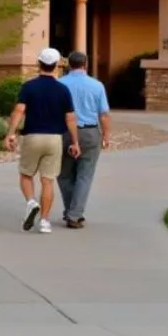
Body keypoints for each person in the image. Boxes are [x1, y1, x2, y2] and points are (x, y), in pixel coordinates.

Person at [4, 48, 79, 234]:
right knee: (48, 181)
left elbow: (19, 111)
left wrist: (10, 134)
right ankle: (45, 221)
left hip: (32, 136)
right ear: (57, 66)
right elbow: (70, 118)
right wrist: (75, 142)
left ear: (39, 64)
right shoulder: (63, 89)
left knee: (26, 174)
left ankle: (31, 202)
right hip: (55, 139)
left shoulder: (29, 87)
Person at [57, 50, 111, 228]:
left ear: (68, 65)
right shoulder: (96, 85)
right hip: (89, 132)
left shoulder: (60, 84)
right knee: (84, 175)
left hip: (64, 132)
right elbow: (103, 114)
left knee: (64, 174)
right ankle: (74, 213)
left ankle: (71, 211)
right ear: (85, 64)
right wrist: (106, 135)